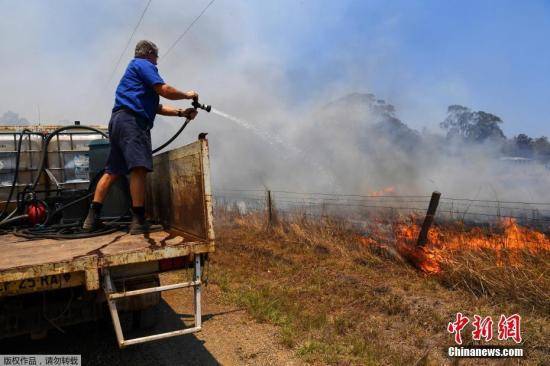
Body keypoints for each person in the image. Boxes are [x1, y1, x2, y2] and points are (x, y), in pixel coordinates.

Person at [83, 40, 199, 234]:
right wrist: (188, 94)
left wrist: (182, 113)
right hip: (133, 123)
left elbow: (157, 107)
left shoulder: (133, 76)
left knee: (112, 171)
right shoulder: (143, 64)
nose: (157, 62)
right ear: (149, 54)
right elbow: (165, 90)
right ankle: (138, 221)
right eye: (156, 57)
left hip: (119, 121)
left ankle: (91, 219)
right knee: (138, 170)